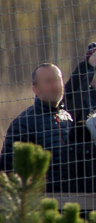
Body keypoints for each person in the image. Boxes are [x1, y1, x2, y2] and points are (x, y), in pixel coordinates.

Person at [2, 63, 77, 192]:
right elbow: (9, 170)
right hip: (40, 202)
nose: (55, 86)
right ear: (35, 89)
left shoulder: (67, 118)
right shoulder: (23, 123)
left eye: (58, 80)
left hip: (72, 199)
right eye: (48, 82)